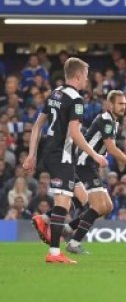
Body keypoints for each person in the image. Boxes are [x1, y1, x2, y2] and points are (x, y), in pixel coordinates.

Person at [32, 91, 126, 254]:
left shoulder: (113, 122)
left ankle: (62, 225)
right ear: (110, 105)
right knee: (96, 204)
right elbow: (112, 148)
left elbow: (104, 147)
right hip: (84, 164)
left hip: (89, 165)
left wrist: (100, 157)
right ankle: (72, 241)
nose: (123, 107)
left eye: (125, 104)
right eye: (120, 104)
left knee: (105, 206)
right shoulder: (106, 121)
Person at [23, 58, 109, 264]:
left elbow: (37, 126)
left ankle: (44, 219)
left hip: (55, 154)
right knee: (63, 202)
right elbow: (75, 133)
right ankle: (54, 253)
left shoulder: (55, 93)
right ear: (78, 76)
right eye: (86, 76)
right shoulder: (76, 99)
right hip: (61, 155)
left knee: (82, 198)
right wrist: (95, 154)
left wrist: (31, 154)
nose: (87, 81)